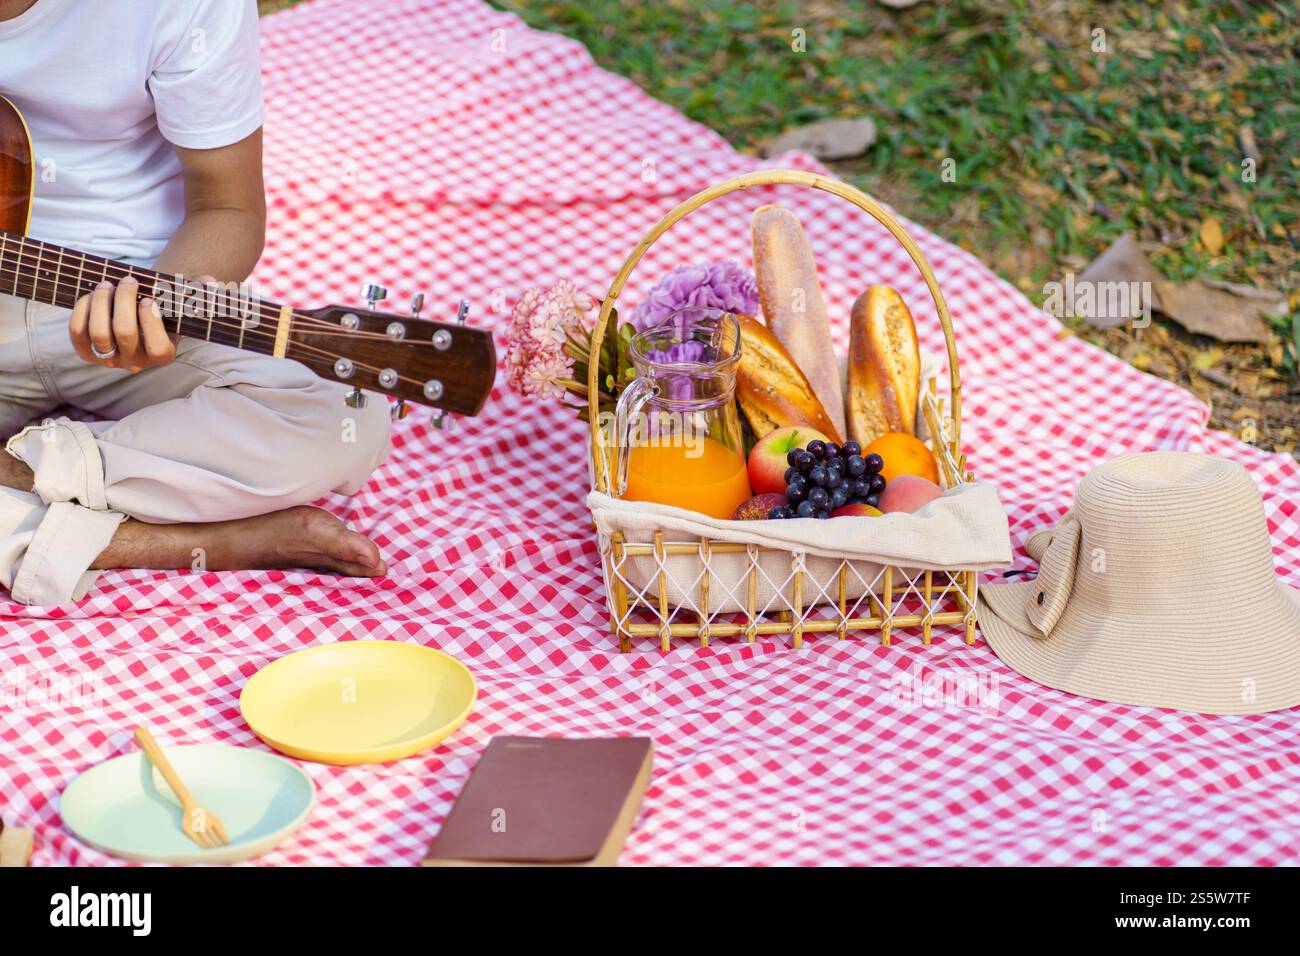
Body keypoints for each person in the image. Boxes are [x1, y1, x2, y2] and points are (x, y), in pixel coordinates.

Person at [0, 0, 391, 605]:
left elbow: (228, 208)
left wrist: (162, 304)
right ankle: (183, 541)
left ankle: (19, 477)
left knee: (344, 422)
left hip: (131, 281)